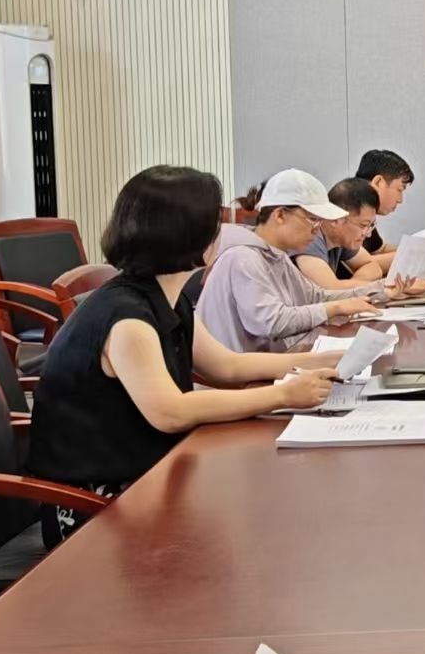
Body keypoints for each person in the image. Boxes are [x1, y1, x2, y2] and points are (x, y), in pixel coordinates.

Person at [27, 166, 342, 541]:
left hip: (148, 472)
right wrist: (283, 395)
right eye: (214, 224)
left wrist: (322, 360)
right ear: (191, 236)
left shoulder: (165, 297)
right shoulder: (126, 317)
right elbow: (170, 412)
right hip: (94, 505)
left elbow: (227, 365)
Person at [198, 168, 406, 352]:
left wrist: (382, 290)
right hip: (236, 379)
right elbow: (272, 322)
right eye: (313, 220)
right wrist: (336, 308)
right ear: (280, 215)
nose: (317, 230)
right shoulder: (242, 257)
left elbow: (316, 296)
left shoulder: (276, 255)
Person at [356, 149, 413, 264]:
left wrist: (415, 251)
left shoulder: (366, 211)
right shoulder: (349, 210)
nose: (400, 200)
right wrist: (412, 256)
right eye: (400, 189)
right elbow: (362, 263)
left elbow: (378, 249)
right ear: (378, 182)